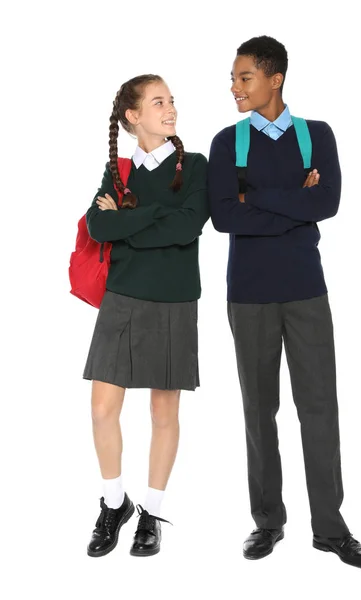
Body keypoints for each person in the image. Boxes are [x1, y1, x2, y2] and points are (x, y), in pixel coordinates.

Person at [208, 36, 361, 569]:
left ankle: (330, 529)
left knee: (320, 409)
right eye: (234, 78)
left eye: (244, 78)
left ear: (274, 78)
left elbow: (326, 202)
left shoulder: (317, 136)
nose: (234, 86)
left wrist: (253, 194)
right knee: (259, 412)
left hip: (307, 291)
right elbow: (223, 217)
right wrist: (293, 204)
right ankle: (268, 522)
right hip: (249, 294)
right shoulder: (224, 142)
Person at [83, 74, 209, 557]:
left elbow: (188, 225)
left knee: (163, 411)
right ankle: (114, 504)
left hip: (175, 298)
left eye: (172, 100)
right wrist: (154, 217)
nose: (171, 108)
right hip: (122, 295)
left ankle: (151, 513)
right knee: (101, 408)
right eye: (159, 102)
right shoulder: (117, 170)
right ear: (133, 116)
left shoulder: (196, 165)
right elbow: (98, 223)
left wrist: (129, 221)